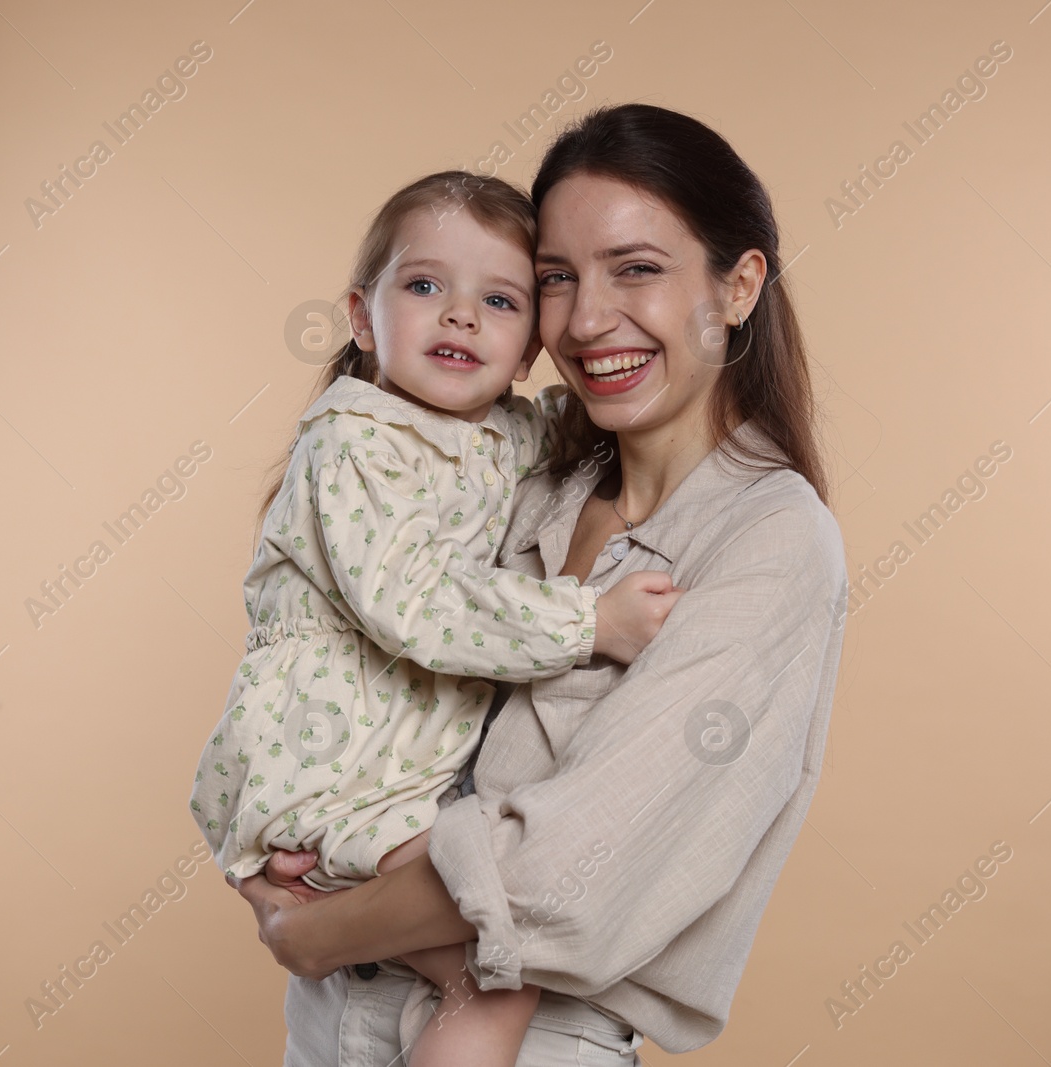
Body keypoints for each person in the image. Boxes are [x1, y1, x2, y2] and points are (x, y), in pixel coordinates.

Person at [233, 102, 850, 1066]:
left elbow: (569, 876)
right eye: (557, 279)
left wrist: (312, 929)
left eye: (637, 269)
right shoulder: (529, 474)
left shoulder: (770, 542)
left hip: (530, 1034)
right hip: (334, 1019)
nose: (590, 318)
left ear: (738, 286)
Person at [188, 169, 680, 1067]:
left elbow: (598, 419)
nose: (460, 316)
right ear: (363, 317)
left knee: (478, 965)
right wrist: (589, 623)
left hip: (388, 771)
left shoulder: (502, 431)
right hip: (328, 766)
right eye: (424, 286)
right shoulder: (352, 441)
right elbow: (416, 605)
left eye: (499, 300)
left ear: (530, 345)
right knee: (497, 970)